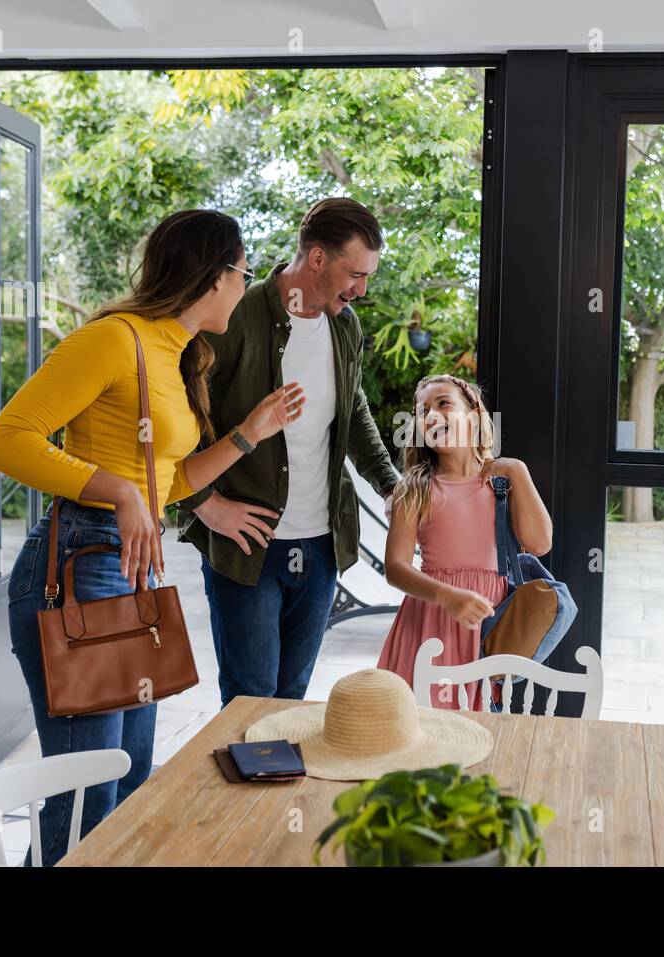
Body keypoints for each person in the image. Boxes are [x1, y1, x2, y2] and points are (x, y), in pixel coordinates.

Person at [0, 209, 304, 866]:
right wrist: (119, 491)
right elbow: (5, 440)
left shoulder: (179, 354)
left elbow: (171, 480)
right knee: (85, 791)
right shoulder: (112, 340)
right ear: (214, 274)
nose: (247, 286)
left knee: (127, 778)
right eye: (243, 272)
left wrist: (249, 433)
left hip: (138, 569)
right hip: (82, 562)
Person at [174, 198, 400, 707]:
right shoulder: (233, 316)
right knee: (250, 701)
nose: (362, 290)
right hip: (248, 544)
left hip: (321, 544)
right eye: (355, 274)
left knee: (292, 697)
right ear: (317, 259)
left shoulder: (345, 325)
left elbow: (353, 405)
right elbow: (180, 416)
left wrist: (390, 484)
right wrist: (205, 504)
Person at [376, 374, 553, 711]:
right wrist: (448, 596)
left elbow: (540, 542)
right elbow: (395, 568)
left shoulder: (504, 480)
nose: (431, 415)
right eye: (422, 411)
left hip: (488, 622)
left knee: (478, 724)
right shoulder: (414, 488)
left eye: (443, 404)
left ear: (473, 415)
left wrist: (518, 470)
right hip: (432, 619)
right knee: (425, 724)